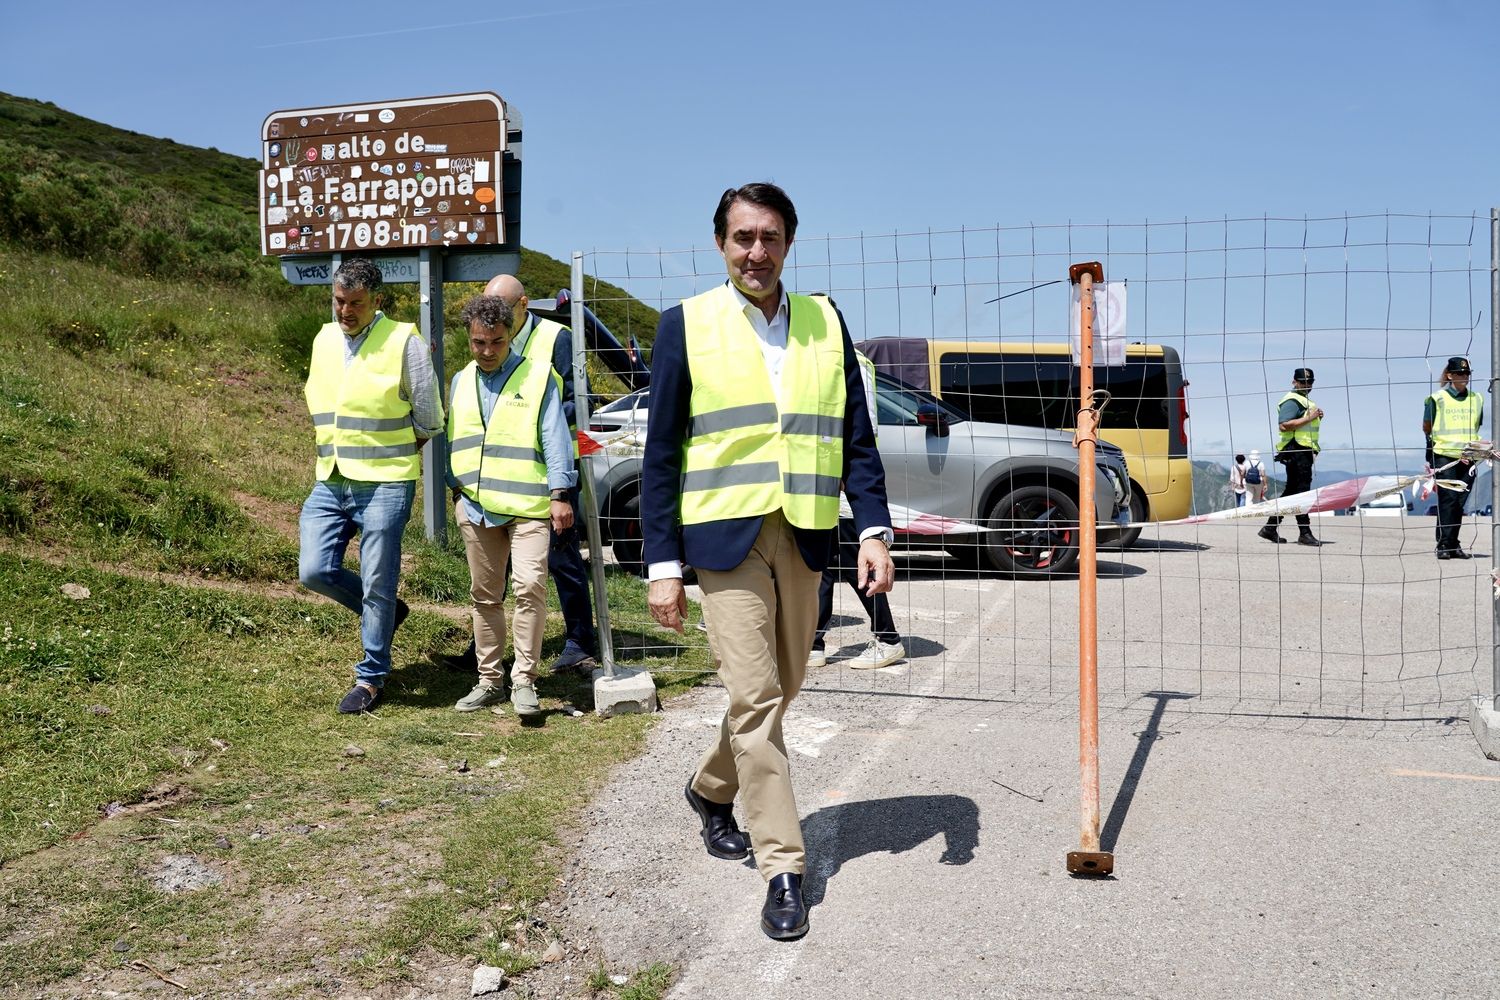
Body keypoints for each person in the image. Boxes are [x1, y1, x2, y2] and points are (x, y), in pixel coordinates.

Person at [642, 183, 894, 941]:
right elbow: (660, 457)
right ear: (720, 243)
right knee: (756, 700)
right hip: (723, 535)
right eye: (743, 237)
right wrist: (663, 564)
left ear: (789, 243)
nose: (757, 252)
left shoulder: (824, 320)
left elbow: (854, 432)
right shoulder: (684, 325)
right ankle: (784, 864)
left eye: (771, 238)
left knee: (783, 685)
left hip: (806, 529)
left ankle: (710, 789)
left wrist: (875, 527)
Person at [298, 258, 444, 713]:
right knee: (313, 571)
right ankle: (385, 615)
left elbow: (429, 417)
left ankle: (371, 678)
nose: (345, 311)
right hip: (332, 477)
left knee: (379, 578)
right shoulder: (323, 339)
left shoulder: (405, 341)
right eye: (339, 301)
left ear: (376, 300)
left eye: (355, 303)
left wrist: (399, 452)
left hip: (387, 481)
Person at [438, 274, 600, 678]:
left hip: (548, 471)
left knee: (560, 558)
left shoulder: (556, 339)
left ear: (522, 306)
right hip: (489, 481)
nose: (491, 336)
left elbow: (578, 402)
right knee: (495, 572)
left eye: (504, 312)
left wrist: (542, 436)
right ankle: (485, 652)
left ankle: (579, 642)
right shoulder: (468, 369)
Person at [809, 348, 905, 669]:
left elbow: (864, 428)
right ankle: (813, 643)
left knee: (855, 563)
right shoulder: (820, 358)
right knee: (821, 565)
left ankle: (888, 638)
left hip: (842, 485)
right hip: (821, 482)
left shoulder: (850, 361)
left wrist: (840, 474)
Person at [1422, 356, 1483, 560]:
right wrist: (1431, 452)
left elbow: (1477, 425)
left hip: (1469, 457)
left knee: (1459, 502)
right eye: (1459, 373)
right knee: (1447, 500)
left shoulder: (1477, 399)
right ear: (1450, 375)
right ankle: (1445, 545)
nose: (1464, 377)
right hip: (1444, 455)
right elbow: (1427, 426)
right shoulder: (1436, 398)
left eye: (1466, 374)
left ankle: (1451, 542)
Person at [1259, 367, 1323, 547]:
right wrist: (1310, 418)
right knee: (1302, 492)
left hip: (1301, 451)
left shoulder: (1303, 400)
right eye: (1303, 382)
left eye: (1310, 382)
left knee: (1292, 492)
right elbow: (1284, 425)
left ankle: (1270, 527)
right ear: (1294, 381)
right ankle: (1304, 532)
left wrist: (1314, 417)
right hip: (1296, 451)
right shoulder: (1292, 400)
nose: (1307, 385)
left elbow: (1303, 425)